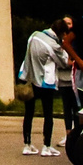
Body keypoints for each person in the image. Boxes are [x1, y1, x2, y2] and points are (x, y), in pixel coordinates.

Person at [19, 18, 67, 156]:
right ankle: (46, 146)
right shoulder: (54, 45)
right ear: (61, 33)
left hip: (28, 79)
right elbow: (63, 63)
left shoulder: (33, 35)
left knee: (28, 113)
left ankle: (27, 144)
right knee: (48, 114)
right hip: (45, 82)